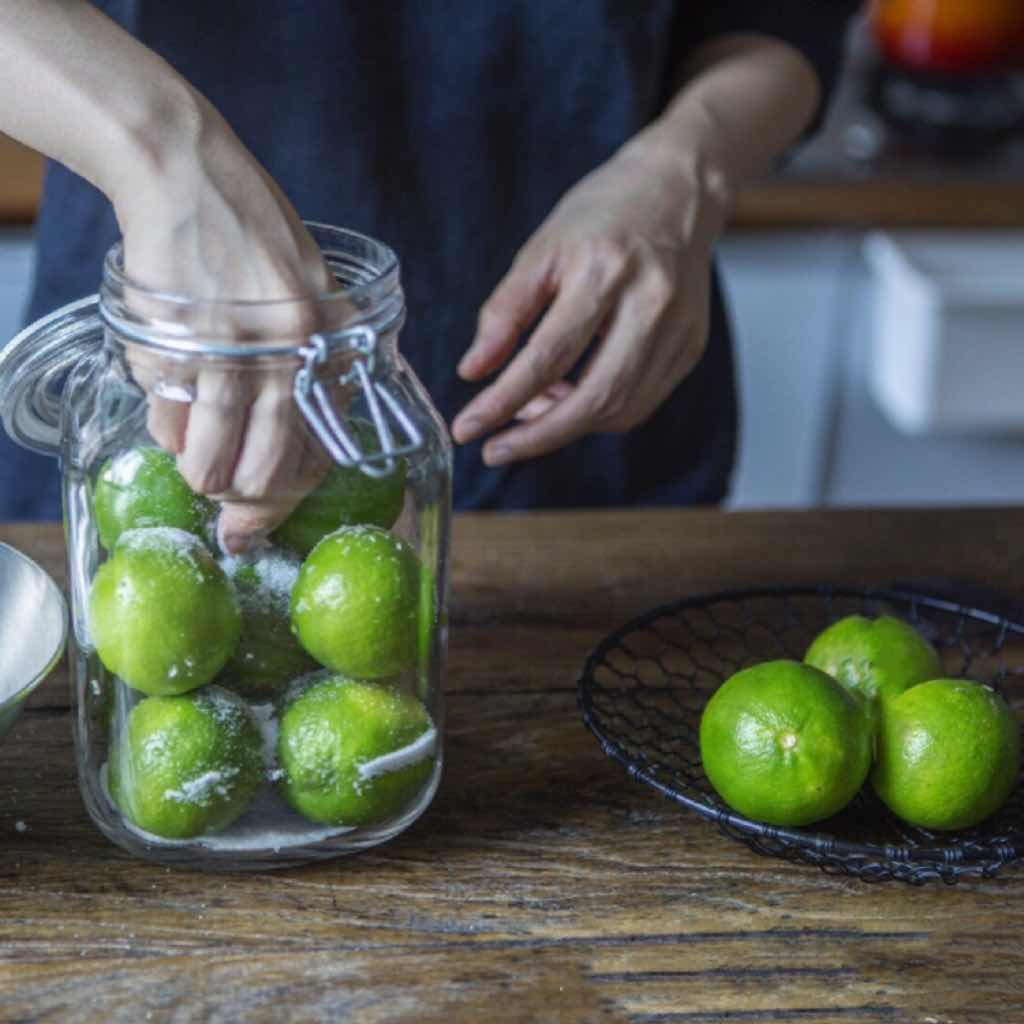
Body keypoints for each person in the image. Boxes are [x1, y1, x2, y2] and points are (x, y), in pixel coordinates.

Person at [0, 1, 856, 550]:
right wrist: (164, 152)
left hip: (585, 407)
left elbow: (780, 20)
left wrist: (690, 161)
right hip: (165, 385)